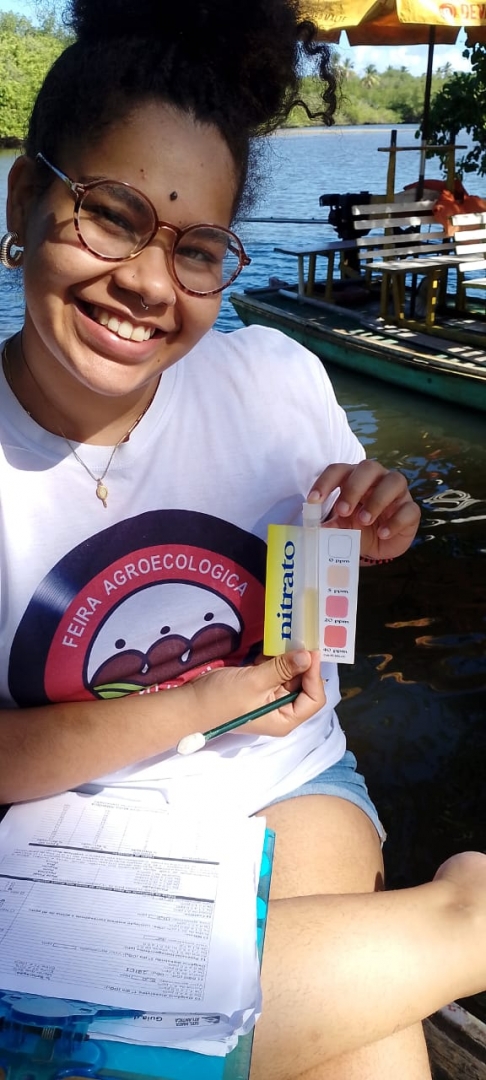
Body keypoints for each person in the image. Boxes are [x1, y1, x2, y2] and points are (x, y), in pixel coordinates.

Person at [0, 1, 485, 1077]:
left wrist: (380, 518)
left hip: (278, 784)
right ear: (25, 197)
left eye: (199, 249)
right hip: (52, 836)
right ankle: (466, 924)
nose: (147, 282)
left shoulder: (271, 379)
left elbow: (330, 557)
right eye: (111, 214)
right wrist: (205, 701)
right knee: (363, 1022)